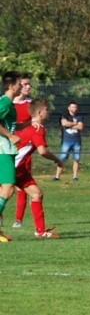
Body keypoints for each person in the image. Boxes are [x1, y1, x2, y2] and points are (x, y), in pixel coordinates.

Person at [14, 98, 64, 238]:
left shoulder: (31, 127)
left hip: (19, 168)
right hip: (13, 166)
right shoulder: (38, 129)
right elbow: (42, 151)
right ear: (40, 113)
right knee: (4, 194)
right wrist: (57, 160)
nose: (49, 112)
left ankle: (40, 231)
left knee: (36, 194)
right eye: (47, 110)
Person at [0, 71, 23, 242]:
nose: (21, 86)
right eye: (19, 84)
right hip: (3, 150)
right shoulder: (6, 102)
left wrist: (29, 123)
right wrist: (10, 135)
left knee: (4, 190)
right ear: (11, 86)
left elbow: (10, 124)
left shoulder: (8, 103)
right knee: (7, 190)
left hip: (5, 149)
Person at [12, 74, 33, 228]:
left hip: (24, 148)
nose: (28, 87)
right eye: (25, 84)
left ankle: (18, 219)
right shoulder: (7, 103)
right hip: (7, 146)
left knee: (22, 184)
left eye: (29, 84)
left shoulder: (31, 104)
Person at [54, 101, 83, 181]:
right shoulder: (65, 115)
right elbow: (64, 124)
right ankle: (57, 176)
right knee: (62, 158)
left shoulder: (79, 117)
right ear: (69, 108)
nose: (74, 109)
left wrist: (69, 125)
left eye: (75, 107)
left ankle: (75, 176)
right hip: (66, 141)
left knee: (76, 159)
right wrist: (75, 124)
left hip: (77, 141)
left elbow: (80, 127)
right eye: (73, 107)